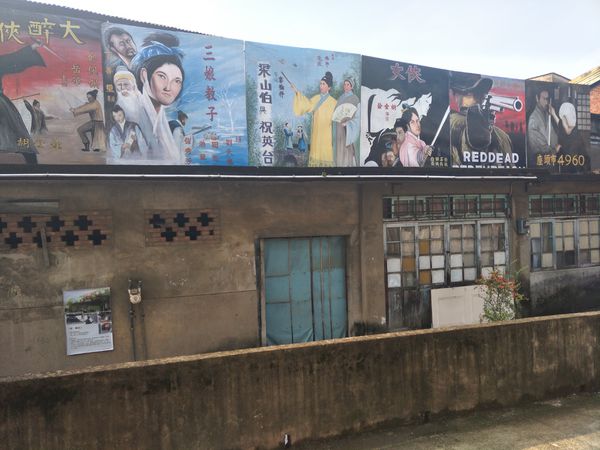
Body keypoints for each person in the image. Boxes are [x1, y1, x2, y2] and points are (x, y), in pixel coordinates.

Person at [130, 32, 185, 164]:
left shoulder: (161, 120)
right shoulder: (133, 118)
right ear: (144, 75)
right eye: (162, 76)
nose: (168, 87)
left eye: (176, 81)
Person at [449, 74, 512, 166]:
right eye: (470, 93)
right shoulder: (453, 122)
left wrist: (487, 124)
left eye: (480, 91)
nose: (479, 97)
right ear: (456, 94)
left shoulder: (502, 136)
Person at [0, 42, 46, 164]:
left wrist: (31, 47)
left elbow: (13, 59)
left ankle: (31, 164)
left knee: (15, 135)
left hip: (2, 107)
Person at [292, 71, 337, 167]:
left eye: (323, 84)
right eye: (320, 84)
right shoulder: (315, 98)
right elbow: (306, 104)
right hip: (316, 131)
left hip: (327, 133)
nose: (321, 86)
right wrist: (297, 92)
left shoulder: (334, 102)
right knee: (316, 152)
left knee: (326, 153)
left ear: (329, 87)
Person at [552, 102, 590, 172]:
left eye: (563, 120)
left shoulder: (576, 138)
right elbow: (559, 123)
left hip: (577, 173)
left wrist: (559, 150)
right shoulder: (566, 129)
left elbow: (571, 159)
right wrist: (553, 114)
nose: (562, 122)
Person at [527, 87, 559, 166]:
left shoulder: (547, 115)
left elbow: (553, 136)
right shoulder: (533, 119)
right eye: (544, 99)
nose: (546, 102)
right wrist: (555, 150)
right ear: (537, 98)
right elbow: (539, 147)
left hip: (552, 160)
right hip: (540, 163)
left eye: (547, 99)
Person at [333, 78, 360, 166]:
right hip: (339, 126)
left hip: (348, 128)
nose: (346, 86)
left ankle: (348, 166)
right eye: (344, 84)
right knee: (340, 146)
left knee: (348, 148)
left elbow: (357, 117)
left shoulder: (355, 99)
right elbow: (336, 112)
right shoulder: (340, 98)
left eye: (348, 84)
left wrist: (348, 124)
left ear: (352, 86)